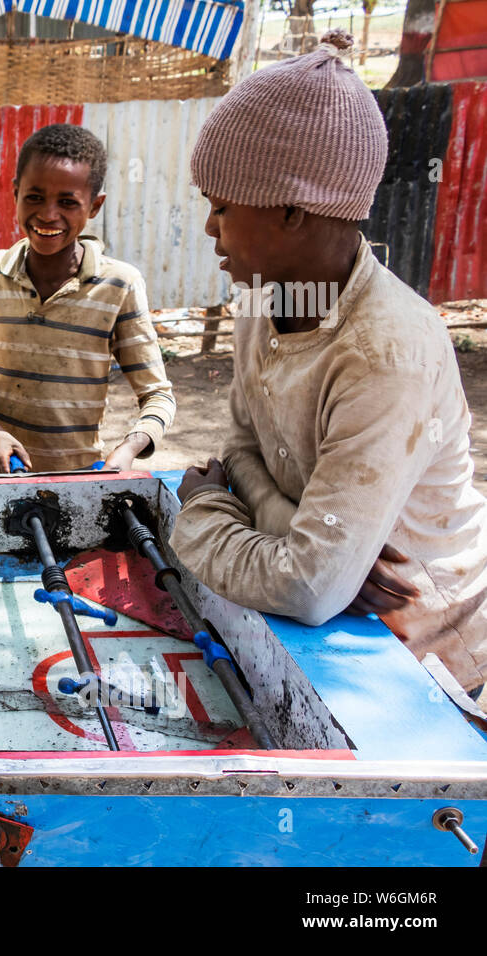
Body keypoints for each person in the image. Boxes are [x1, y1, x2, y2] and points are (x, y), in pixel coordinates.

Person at [171, 31, 487, 694]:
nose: (210, 230)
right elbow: (242, 441)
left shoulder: (385, 353)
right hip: (344, 645)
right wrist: (285, 521)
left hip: (430, 663)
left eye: (221, 208)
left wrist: (201, 512)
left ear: (291, 210)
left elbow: (307, 589)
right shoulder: (265, 294)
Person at [0, 123, 175, 473]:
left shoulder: (119, 285)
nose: (48, 214)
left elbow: (157, 396)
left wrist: (128, 450)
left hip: (76, 484)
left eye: (68, 202)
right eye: (35, 197)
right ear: (15, 194)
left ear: (95, 206)